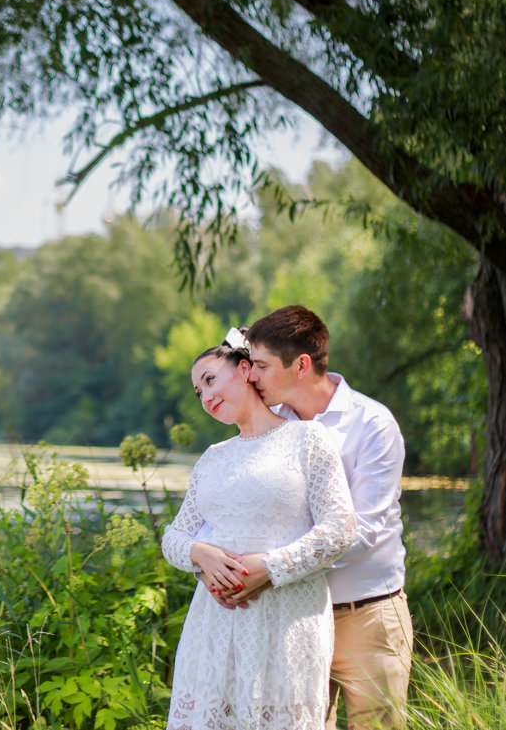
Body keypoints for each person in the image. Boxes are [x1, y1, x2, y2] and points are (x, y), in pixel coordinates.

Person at [226, 306, 413, 730]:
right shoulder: (271, 426)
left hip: (366, 616)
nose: (251, 376)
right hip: (294, 617)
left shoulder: (372, 425)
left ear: (302, 365)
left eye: (260, 366)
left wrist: (273, 568)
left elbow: (364, 530)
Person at [162, 336, 355, 730]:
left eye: (211, 380)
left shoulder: (307, 438)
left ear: (246, 369)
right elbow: (173, 537)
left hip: (286, 621)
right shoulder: (213, 456)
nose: (205, 396)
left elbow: (339, 529)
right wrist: (202, 555)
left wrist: (268, 568)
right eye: (199, 391)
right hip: (213, 626)